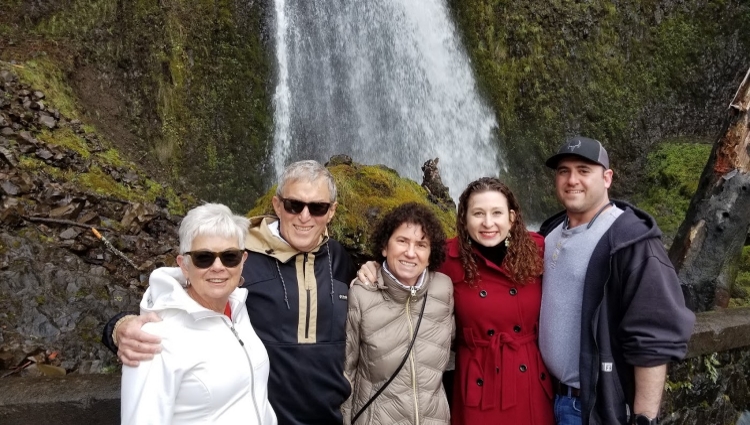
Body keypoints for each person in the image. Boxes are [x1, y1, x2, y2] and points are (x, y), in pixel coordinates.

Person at [103, 160, 356, 425]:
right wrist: (118, 327)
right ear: (278, 205)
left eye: (317, 208)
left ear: (331, 212)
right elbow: (180, 290)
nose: (305, 216)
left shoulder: (338, 259)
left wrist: (376, 269)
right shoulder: (237, 256)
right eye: (294, 205)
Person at [359, 177, 555, 424]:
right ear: (463, 218)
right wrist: (376, 265)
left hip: (530, 379)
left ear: (512, 218)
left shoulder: (538, 249)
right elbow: (406, 263)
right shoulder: (447, 257)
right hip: (479, 381)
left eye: (497, 213)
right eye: (478, 213)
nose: (488, 223)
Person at [538, 136, 695, 425]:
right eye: (564, 171)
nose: (572, 179)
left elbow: (653, 337)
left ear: (607, 178)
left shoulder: (631, 242)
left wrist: (643, 418)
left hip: (592, 407)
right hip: (544, 397)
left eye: (584, 170)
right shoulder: (548, 233)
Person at [120, 203, 277, 424]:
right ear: (184, 264)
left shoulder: (238, 309)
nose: (218, 266)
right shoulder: (156, 337)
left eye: (229, 256)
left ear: (243, 261)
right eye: (204, 257)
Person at [342, 202, 453, 425]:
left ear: (431, 255)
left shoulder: (444, 289)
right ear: (385, 247)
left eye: (421, 245)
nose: (410, 253)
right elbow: (347, 372)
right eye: (402, 241)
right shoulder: (361, 294)